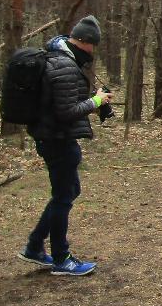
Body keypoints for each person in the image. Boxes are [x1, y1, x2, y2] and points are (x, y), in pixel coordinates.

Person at [16, 15, 113, 276]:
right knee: (63, 197)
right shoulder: (65, 66)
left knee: (69, 191)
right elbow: (66, 111)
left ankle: (35, 246)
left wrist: (94, 101)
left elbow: (62, 105)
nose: (93, 51)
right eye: (93, 45)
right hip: (57, 140)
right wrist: (96, 102)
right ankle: (61, 258)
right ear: (85, 42)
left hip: (53, 137)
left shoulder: (59, 59)